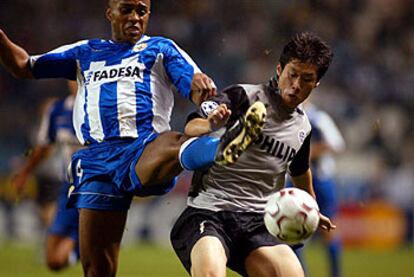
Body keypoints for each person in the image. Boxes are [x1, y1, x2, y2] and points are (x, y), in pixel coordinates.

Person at [0, 1, 262, 276]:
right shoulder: (85, 52)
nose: (135, 17)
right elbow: (22, 65)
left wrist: (204, 95)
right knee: (98, 269)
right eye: (127, 9)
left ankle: (223, 147)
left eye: (142, 11)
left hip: (143, 148)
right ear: (109, 13)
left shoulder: (160, 49)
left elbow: (196, 87)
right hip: (96, 162)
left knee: (174, 142)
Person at [171, 32, 336, 277]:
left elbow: (300, 172)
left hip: (258, 221)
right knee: (210, 274)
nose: (296, 85)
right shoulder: (242, 96)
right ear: (279, 70)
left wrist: (312, 207)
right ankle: (224, 147)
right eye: (292, 74)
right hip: (209, 211)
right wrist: (210, 125)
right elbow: (191, 126)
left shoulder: (303, 129)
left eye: (307, 79)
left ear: (316, 83)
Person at [12, 81, 81, 271]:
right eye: (75, 77)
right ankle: (82, 248)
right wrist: (24, 173)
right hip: (68, 185)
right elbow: (44, 148)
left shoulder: (103, 105)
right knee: (53, 261)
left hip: (96, 187)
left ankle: (88, 244)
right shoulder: (57, 111)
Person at [297, 101, 346, 277]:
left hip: (321, 178)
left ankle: (336, 274)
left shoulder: (319, 118)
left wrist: (307, 153)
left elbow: (336, 144)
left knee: (328, 229)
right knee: (294, 232)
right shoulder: (289, 117)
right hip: (296, 180)